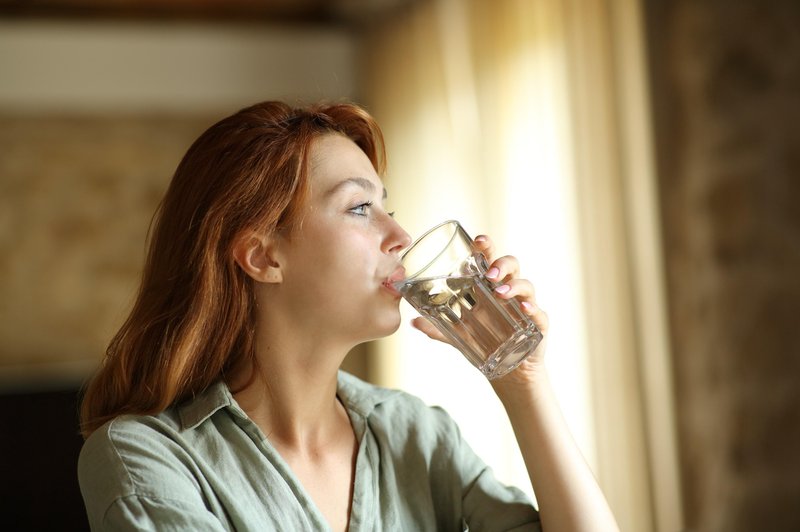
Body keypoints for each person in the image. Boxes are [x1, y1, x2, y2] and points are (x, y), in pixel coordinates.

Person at [78, 101, 619, 531]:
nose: (401, 236)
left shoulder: (416, 435)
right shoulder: (145, 456)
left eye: (390, 207)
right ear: (264, 256)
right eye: (361, 208)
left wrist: (523, 381)